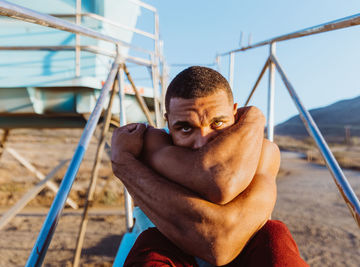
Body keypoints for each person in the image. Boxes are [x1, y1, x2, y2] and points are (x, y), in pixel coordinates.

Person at [111, 66, 308, 267]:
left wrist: (123, 164)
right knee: (151, 243)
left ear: (235, 113)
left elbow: (220, 245)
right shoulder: (149, 143)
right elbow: (214, 180)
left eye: (218, 124)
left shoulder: (263, 153)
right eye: (186, 128)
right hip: (174, 256)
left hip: (241, 256)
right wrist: (253, 120)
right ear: (168, 122)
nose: (202, 143)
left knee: (274, 236)